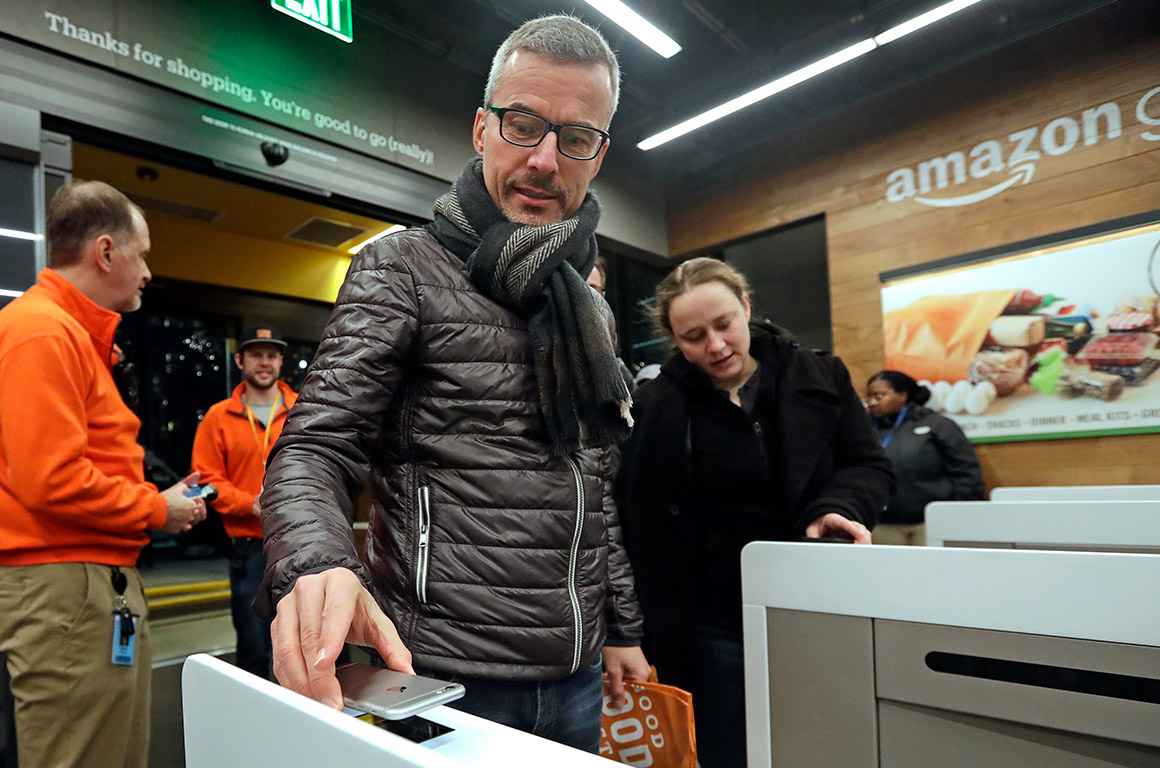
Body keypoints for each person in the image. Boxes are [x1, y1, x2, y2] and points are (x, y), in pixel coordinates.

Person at [257, 15, 648, 753]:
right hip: (441, 676)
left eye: (575, 138)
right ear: (481, 130)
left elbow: (594, 486)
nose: (543, 159)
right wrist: (318, 565)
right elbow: (314, 447)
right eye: (523, 124)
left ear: (598, 155)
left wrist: (622, 628)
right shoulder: (402, 267)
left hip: (577, 675)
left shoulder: (588, 308)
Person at [616, 257, 894, 767]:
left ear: (746, 308)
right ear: (675, 340)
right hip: (712, 617)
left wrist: (838, 507)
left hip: (813, 597)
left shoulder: (819, 374)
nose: (716, 346)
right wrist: (628, 629)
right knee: (731, 745)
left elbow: (867, 466)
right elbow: (637, 518)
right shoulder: (658, 404)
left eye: (724, 325)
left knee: (825, 737)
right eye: (694, 336)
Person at [0, 180, 206, 767]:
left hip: (84, 586)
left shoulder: (68, 337)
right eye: (141, 255)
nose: (146, 273)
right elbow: (51, 480)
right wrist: (156, 509)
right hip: (66, 589)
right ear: (107, 251)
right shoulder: (44, 333)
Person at [192, 326, 298, 679]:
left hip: (297, 543)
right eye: (256, 354)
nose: (264, 362)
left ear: (281, 361)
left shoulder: (303, 410)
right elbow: (205, 480)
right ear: (240, 360)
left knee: (298, 645)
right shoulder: (218, 417)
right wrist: (247, 503)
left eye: (271, 355)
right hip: (248, 548)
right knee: (253, 647)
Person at [865, 370, 984, 545]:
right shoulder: (864, 430)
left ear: (903, 395)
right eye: (869, 397)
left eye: (879, 395)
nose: (872, 402)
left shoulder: (937, 425)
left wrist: (960, 514)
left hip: (931, 522)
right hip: (883, 524)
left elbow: (966, 471)